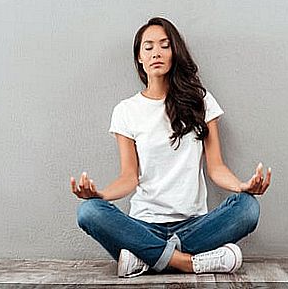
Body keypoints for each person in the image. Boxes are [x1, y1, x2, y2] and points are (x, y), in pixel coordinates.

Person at [70, 17, 272, 278]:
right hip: (142, 227)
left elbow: (217, 167)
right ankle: (188, 263)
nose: (156, 52)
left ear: (175, 52)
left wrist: (241, 186)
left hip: (194, 226)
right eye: (148, 47)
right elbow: (129, 177)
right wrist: (99, 195)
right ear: (139, 58)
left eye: (165, 45)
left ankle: (146, 258)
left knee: (248, 208)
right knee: (89, 211)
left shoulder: (201, 101)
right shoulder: (126, 111)